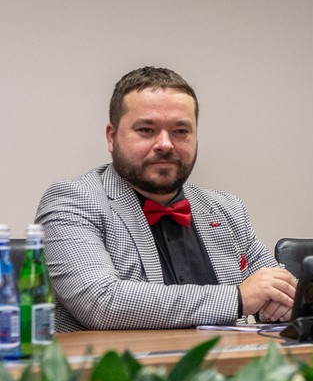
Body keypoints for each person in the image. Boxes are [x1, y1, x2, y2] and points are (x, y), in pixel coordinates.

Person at [35, 67, 296, 331]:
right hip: (120, 359)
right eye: (147, 130)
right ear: (112, 137)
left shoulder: (227, 209)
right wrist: (238, 299)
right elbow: (101, 303)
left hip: (228, 357)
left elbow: (277, 290)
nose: (166, 144)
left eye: (180, 131)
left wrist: (282, 305)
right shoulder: (72, 201)